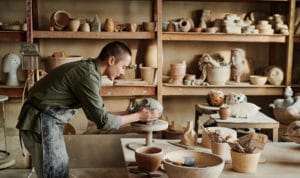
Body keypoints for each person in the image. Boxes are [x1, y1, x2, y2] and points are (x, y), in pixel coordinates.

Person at [16, 41, 161, 178]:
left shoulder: (90, 69)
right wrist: (140, 117)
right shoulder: (88, 76)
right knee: (55, 173)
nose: (122, 72)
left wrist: (130, 113)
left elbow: (95, 116)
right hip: (39, 123)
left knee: (60, 169)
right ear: (111, 60)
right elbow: (103, 122)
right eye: (123, 66)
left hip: (45, 122)